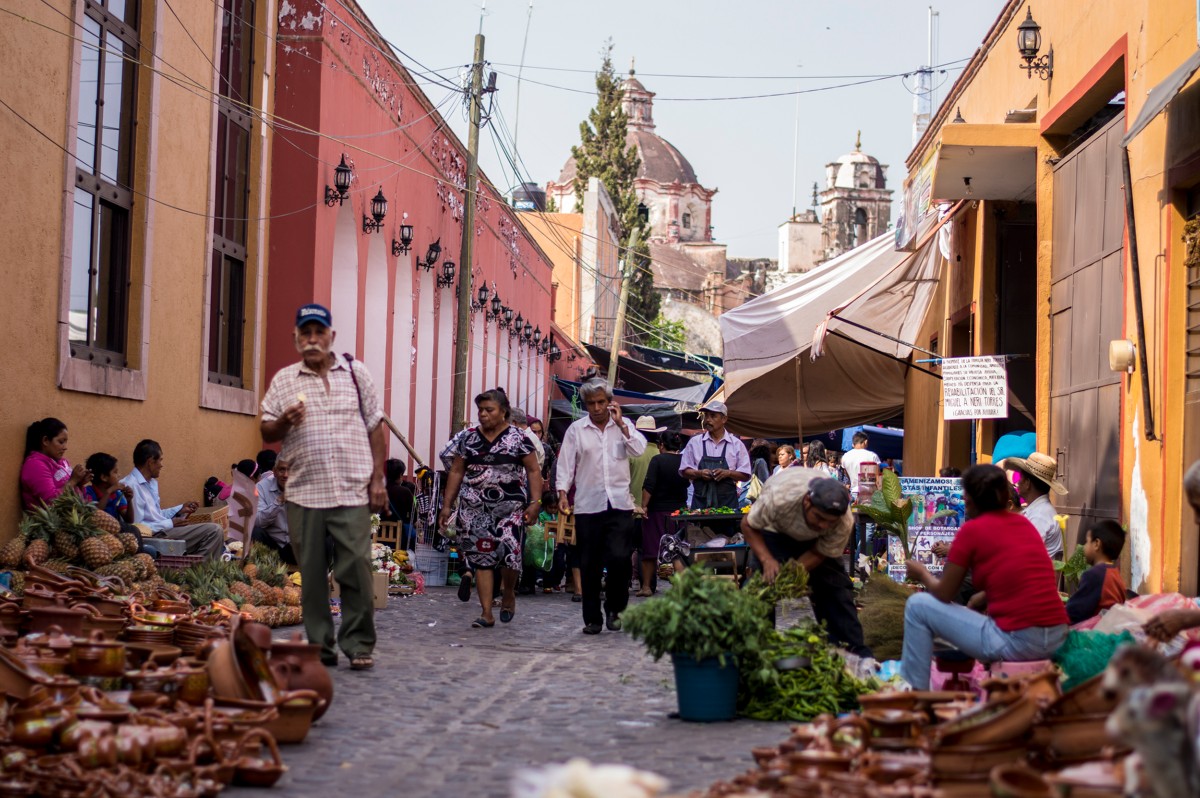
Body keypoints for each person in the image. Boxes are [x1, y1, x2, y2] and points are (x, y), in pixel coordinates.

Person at [260, 302, 387, 671]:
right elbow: (266, 431)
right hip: (304, 491)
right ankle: (321, 646)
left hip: (351, 489)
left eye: (319, 332)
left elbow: (374, 425)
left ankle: (359, 642)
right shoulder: (285, 380)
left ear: (331, 336)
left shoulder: (355, 373)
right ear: (296, 339)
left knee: (357, 567)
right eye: (306, 333)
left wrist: (377, 479)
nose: (312, 339)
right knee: (312, 574)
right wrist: (284, 420)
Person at [899, 464, 1069, 690]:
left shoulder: (971, 532)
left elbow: (943, 593)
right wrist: (982, 597)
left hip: (1019, 642)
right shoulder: (1024, 524)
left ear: (968, 500)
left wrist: (921, 573)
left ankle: (915, 695)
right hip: (1058, 636)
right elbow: (1017, 578)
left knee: (917, 605)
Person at [439, 389, 543, 628]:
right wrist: (447, 505)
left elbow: (533, 470)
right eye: (481, 410)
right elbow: (456, 471)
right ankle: (486, 612)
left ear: (503, 412)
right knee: (482, 558)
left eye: (489, 410)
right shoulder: (469, 438)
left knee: (510, 556)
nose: (483, 415)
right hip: (474, 510)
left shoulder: (518, 438)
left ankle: (508, 593)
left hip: (511, 510)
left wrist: (535, 503)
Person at [741, 469, 872, 657]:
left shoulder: (843, 521)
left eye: (830, 522)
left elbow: (820, 551)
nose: (823, 525)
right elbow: (747, 525)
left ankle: (856, 655)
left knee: (835, 589)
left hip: (817, 544)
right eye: (819, 518)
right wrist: (767, 560)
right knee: (768, 587)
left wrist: (795, 573)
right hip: (776, 532)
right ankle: (754, 653)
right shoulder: (780, 497)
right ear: (807, 502)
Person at [556, 379, 647, 634]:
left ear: (610, 402)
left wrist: (622, 425)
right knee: (590, 564)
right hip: (588, 505)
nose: (596, 408)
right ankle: (593, 618)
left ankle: (616, 609)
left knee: (620, 559)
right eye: (591, 403)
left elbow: (639, 450)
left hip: (619, 503)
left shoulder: (623, 425)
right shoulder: (576, 430)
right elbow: (565, 465)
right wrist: (563, 493)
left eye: (600, 402)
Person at [123, 440, 225, 561]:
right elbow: (138, 527)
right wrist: (171, 523)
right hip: (153, 536)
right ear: (150, 462)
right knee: (214, 531)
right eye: (160, 460)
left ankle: (193, 569)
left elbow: (156, 515)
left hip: (163, 529)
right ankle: (197, 571)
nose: (161, 465)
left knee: (212, 531)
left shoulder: (150, 483)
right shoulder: (131, 485)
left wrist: (180, 509)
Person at [640, 431, 689, 596]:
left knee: (650, 550)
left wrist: (643, 506)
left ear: (661, 445)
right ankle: (682, 586)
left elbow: (649, 485)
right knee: (678, 550)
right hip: (679, 512)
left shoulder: (657, 460)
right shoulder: (684, 461)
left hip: (657, 510)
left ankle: (646, 587)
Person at [679, 402, 750, 511]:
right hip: (700, 504)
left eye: (713, 416)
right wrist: (699, 473)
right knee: (700, 528)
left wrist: (728, 473)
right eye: (706, 416)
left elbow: (745, 475)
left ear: (724, 419)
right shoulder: (694, 443)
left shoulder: (736, 444)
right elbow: (684, 471)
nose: (707, 419)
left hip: (727, 504)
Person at [1003, 452, 1066, 559]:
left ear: (1027, 483)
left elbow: (1023, 553)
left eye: (1021, 478)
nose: (1018, 482)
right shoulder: (1037, 510)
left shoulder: (1040, 514)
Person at [1065, 519, 1127, 625]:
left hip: (1092, 634)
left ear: (1097, 544)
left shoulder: (1095, 575)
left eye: (1087, 542)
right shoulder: (1115, 573)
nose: (1084, 547)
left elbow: (1074, 612)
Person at [20, 418, 89, 510]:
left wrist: (80, 482)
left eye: (66, 442)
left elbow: (73, 490)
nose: (65, 447)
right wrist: (73, 481)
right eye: (61, 442)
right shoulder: (35, 465)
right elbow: (51, 501)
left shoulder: (62, 461)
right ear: (45, 441)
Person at [841, 431, 880, 559]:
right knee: (869, 527)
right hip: (868, 493)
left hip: (853, 492)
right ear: (865, 442)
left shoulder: (845, 456)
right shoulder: (872, 456)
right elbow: (877, 478)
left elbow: (846, 474)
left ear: (853, 442)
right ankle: (859, 557)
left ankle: (856, 557)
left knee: (858, 526)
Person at [253, 458, 295, 564]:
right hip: (273, 547)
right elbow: (257, 521)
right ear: (274, 471)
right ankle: (261, 572)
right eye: (282, 470)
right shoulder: (261, 487)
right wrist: (279, 501)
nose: (286, 475)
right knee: (255, 532)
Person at [83, 453, 134, 524]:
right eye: (115, 472)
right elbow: (95, 515)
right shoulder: (88, 492)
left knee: (133, 529)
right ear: (104, 477)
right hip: (97, 530)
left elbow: (129, 520)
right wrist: (109, 492)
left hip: (114, 530)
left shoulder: (116, 494)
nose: (118, 475)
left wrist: (129, 501)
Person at [383, 458, 416, 550]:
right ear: (400, 475)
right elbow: (414, 516)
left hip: (375, 536)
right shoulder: (405, 492)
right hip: (399, 539)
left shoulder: (377, 491)